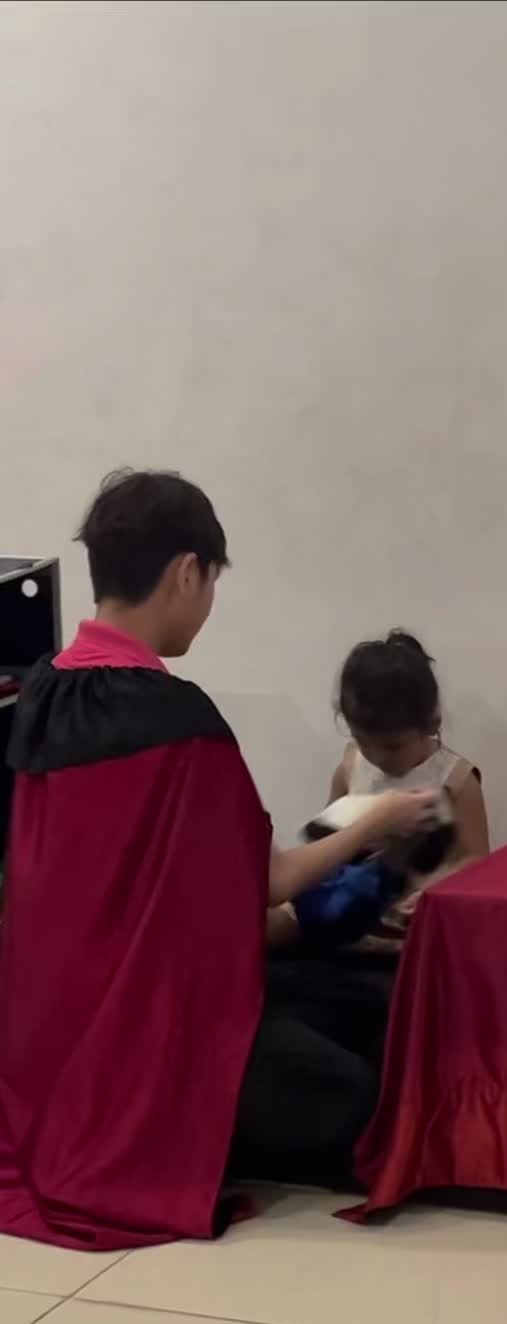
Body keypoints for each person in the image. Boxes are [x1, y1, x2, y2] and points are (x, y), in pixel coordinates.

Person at [0, 470, 438, 1250]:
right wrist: (377, 820)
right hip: (149, 1036)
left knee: (356, 1006)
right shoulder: (177, 722)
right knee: (360, 1090)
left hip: (43, 1042)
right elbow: (268, 882)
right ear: (185, 572)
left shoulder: (37, 697)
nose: (207, 605)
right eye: (210, 584)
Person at [267, 631, 489, 950]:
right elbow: (327, 842)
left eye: (392, 746)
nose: (378, 757)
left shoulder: (456, 779)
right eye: (363, 742)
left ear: (431, 723)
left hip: (411, 922)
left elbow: (477, 860)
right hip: (345, 912)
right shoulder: (351, 765)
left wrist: (431, 890)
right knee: (259, 924)